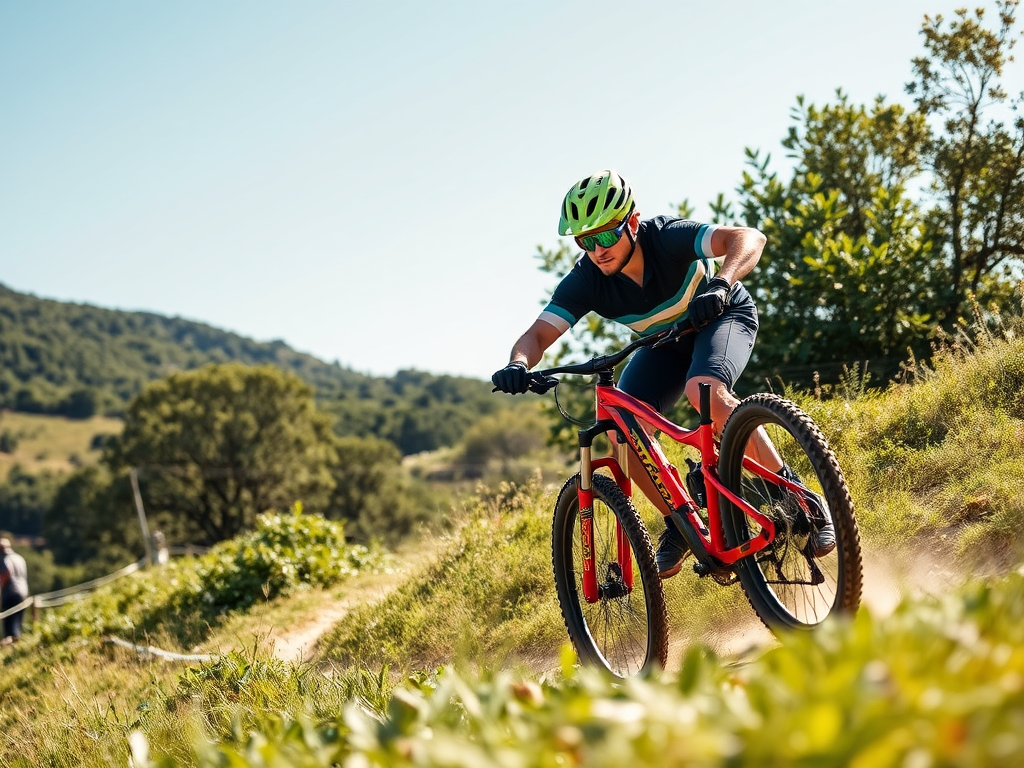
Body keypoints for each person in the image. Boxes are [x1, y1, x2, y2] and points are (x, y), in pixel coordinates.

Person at [492, 170, 834, 578]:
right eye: (586, 241)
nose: (597, 250)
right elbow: (537, 335)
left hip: (720, 316)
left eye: (605, 235)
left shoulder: (666, 236)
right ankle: (681, 524)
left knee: (704, 390)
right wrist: (518, 364)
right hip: (663, 344)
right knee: (623, 431)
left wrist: (722, 282)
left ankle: (796, 495)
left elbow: (748, 237)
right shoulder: (586, 280)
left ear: (632, 223)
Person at [0, 537, 29, 643]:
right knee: (17, 621)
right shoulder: (19, 558)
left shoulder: (4, 558)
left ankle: (10, 648)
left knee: (9, 623)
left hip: (10, 592)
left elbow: (5, 574)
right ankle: (17, 644)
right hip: (23, 592)